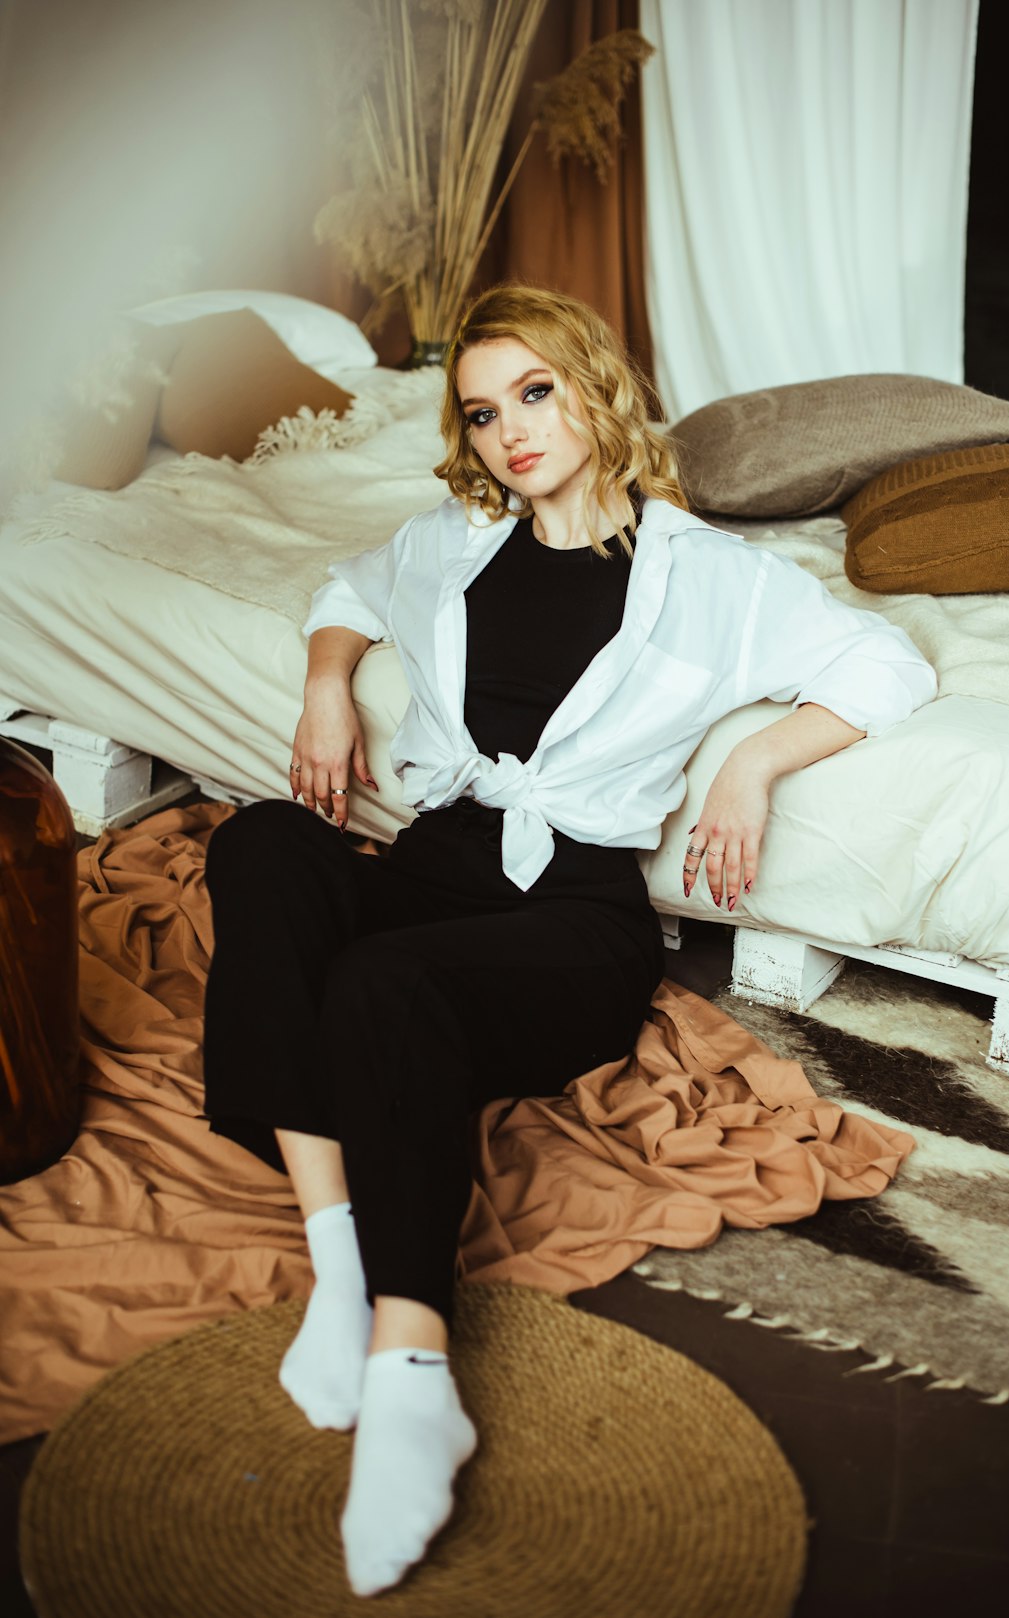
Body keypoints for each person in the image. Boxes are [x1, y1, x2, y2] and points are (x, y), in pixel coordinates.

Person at [201, 283, 937, 1597]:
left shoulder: (705, 575)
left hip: (572, 918)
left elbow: (887, 666)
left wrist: (756, 761)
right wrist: (326, 685)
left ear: (592, 386)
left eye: (535, 392)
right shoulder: (458, 542)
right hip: (435, 864)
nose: (511, 431)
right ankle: (340, 1265)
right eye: (484, 411)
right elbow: (346, 586)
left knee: (376, 982)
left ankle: (414, 1370)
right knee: (259, 842)